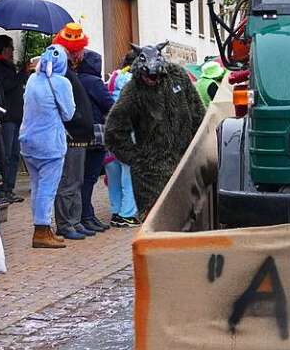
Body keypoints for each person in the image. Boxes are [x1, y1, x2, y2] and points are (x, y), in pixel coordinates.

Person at [105, 43, 204, 218]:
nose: (152, 79)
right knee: (158, 220)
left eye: (156, 76)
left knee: (188, 218)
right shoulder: (133, 90)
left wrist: (198, 147)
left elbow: (197, 111)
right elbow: (114, 131)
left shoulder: (178, 76)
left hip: (184, 163)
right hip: (151, 172)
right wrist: (137, 159)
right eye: (148, 76)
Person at [21, 45, 75, 249]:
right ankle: (42, 230)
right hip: (49, 143)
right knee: (47, 188)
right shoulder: (61, 82)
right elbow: (69, 114)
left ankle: (41, 227)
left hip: (27, 140)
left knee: (36, 186)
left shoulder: (33, 79)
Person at [50, 24, 95, 241]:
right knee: (69, 181)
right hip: (73, 136)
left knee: (75, 182)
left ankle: (74, 221)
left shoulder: (69, 72)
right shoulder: (64, 74)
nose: (83, 54)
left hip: (80, 136)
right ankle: (66, 223)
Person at [0, 35, 26, 204]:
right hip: (6, 116)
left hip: (15, 115)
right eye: (10, 47)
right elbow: (7, 86)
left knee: (14, 154)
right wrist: (22, 73)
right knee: (6, 154)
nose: (13, 51)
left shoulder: (7, 66)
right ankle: (2, 190)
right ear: (3, 48)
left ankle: (9, 188)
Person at [76, 50, 114, 233]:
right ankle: (87, 215)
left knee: (81, 178)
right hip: (96, 132)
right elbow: (109, 103)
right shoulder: (94, 82)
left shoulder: (76, 78)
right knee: (90, 177)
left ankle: (85, 214)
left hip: (79, 133)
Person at [105, 52, 139, 227]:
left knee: (114, 176)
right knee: (129, 176)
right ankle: (128, 215)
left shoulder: (112, 78)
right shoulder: (134, 82)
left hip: (110, 135)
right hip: (128, 135)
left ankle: (116, 212)